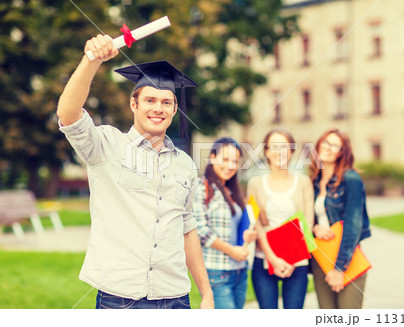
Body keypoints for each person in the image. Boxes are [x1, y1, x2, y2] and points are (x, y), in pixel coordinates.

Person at [57, 34, 214, 309]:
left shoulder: (185, 164)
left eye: (166, 102)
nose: (158, 108)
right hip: (120, 300)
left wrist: (206, 293)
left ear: (175, 109)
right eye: (150, 100)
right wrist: (91, 60)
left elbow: (187, 229)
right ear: (134, 104)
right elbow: (68, 114)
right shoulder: (106, 146)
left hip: (175, 299)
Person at [246, 128, 314, 309]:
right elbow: (256, 223)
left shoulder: (304, 183)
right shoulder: (254, 184)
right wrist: (273, 258)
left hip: (297, 262)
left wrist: (290, 259)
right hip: (264, 260)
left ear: (292, 151)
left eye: (285, 146)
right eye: (274, 147)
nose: (280, 152)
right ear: (266, 151)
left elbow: (307, 222)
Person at [309, 129, 371, 309]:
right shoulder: (314, 181)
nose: (328, 148)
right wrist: (314, 228)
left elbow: (353, 225)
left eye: (335, 145)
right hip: (320, 259)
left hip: (346, 259)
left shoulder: (351, 179)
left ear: (342, 153)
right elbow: (307, 217)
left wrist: (339, 268)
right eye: (326, 142)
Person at [193, 138, 257, 309]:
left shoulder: (232, 191)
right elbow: (200, 231)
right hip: (216, 272)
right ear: (213, 157)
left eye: (235, 161)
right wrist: (231, 251)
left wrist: (247, 235)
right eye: (225, 159)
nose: (230, 165)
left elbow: (234, 229)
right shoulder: (200, 187)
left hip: (240, 271)